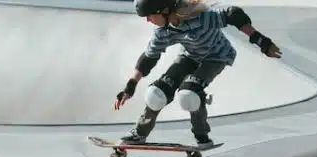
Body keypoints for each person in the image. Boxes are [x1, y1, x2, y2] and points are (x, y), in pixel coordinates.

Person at [113, 0, 282, 147]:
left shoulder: (201, 18)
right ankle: (139, 133)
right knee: (156, 93)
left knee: (189, 93)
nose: (148, 21)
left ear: (163, 10)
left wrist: (261, 41)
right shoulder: (162, 32)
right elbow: (148, 59)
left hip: (216, 57)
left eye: (149, 16)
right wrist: (130, 86)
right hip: (190, 57)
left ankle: (202, 136)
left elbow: (233, 15)